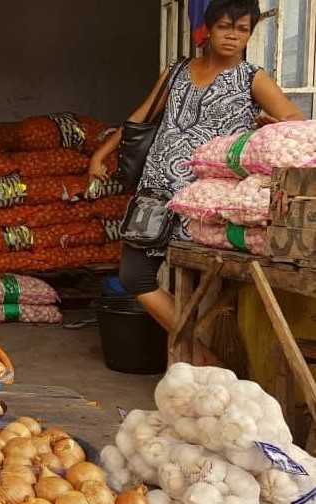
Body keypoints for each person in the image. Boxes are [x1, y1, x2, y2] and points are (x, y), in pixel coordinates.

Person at [89, 0, 303, 360]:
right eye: (224, 27)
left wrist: (272, 125)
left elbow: (294, 119)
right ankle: (204, 357)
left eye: (242, 29)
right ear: (208, 29)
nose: (233, 36)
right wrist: (101, 154)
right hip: (157, 192)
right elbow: (139, 118)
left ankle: (203, 366)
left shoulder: (252, 77)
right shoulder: (176, 72)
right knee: (135, 275)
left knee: (205, 284)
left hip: (207, 198)